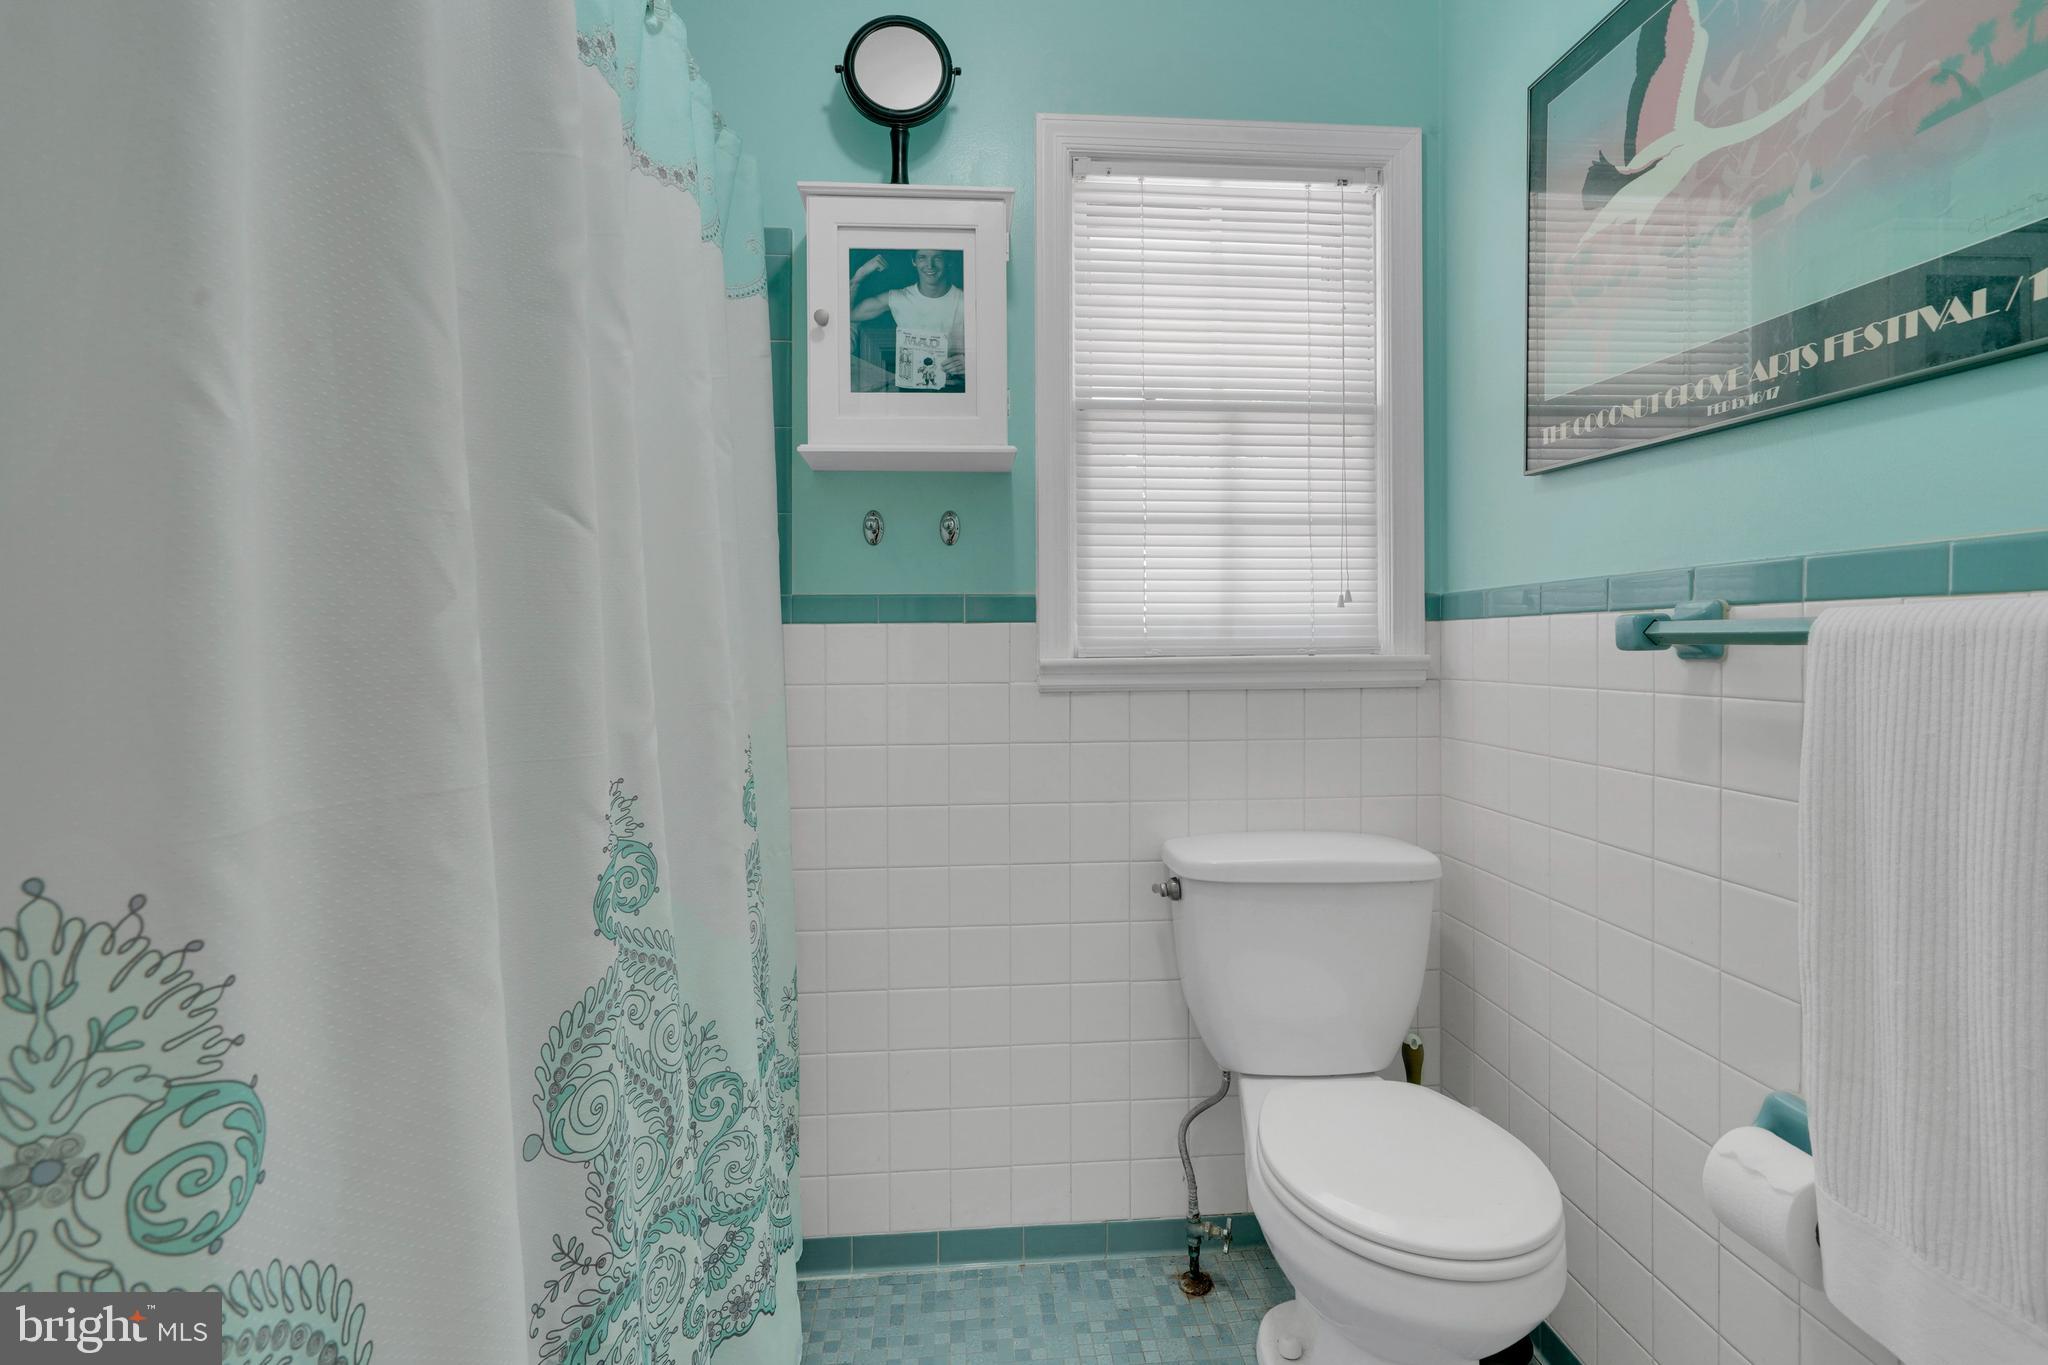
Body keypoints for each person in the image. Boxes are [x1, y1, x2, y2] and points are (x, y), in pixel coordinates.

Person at [850, 248, 966, 391]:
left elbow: (993, 348)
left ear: (947, 261)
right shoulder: (898, 298)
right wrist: (859, 276)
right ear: (914, 261)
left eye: (938, 258)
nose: (930, 265)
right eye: (922, 257)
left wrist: (970, 362)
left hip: (955, 390)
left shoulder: (966, 301)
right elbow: (848, 315)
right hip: (909, 391)